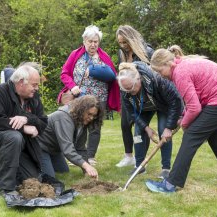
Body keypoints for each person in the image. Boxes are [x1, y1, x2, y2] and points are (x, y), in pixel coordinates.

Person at [146, 45, 217, 193]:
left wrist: (184, 124)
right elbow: (195, 99)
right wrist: (183, 117)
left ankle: (171, 184)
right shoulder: (182, 65)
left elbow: (195, 108)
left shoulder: (180, 73)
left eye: (159, 71)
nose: (160, 75)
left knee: (191, 136)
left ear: (168, 64)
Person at [0, 62, 48, 199]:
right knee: (14, 136)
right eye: (34, 84)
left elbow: (43, 122)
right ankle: (5, 188)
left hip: (22, 147)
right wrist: (23, 127)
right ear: (21, 82)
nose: (37, 88)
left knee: (33, 180)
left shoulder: (34, 98)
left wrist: (26, 119)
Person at [57, 25, 120, 166]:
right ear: (84, 40)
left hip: (99, 98)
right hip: (81, 98)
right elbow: (64, 73)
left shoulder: (104, 57)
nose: (93, 44)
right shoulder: (75, 54)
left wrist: (97, 71)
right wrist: (72, 86)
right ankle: (78, 155)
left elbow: (112, 77)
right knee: (79, 125)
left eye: (96, 41)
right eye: (90, 41)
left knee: (95, 127)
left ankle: (90, 156)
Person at [117, 62, 182, 175]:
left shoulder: (156, 79)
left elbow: (175, 100)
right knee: (138, 132)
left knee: (163, 132)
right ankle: (139, 166)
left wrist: (169, 127)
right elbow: (132, 112)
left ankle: (166, 169)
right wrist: (146, 128)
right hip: (144, 108)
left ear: (138, 79)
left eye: (131, 88)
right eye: (125, 89)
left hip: (162, 105)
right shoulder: (125, 88)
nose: (129, 92)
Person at [115, 25, 162, 173]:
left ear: (131, 38)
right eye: (120, 43)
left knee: (141, 126)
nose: (123, 46)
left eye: (125, 42)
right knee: (129, 126)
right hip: (130, 95)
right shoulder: (122, 53)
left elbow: (155, 74)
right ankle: (134, 159)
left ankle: (146, 163)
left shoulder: (147, 51)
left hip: (147, 97)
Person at [37, 95, 103, 179]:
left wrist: (86, 170)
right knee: (49, 178)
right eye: (89, 114)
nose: (91, 118)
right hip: (39, 147)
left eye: (94, 116)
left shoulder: (81, 120)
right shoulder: (63, 117)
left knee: (63, 171)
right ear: (81, 110)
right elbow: (68, 150)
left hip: (54, 150)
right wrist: (87, 166)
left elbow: (80, 148)